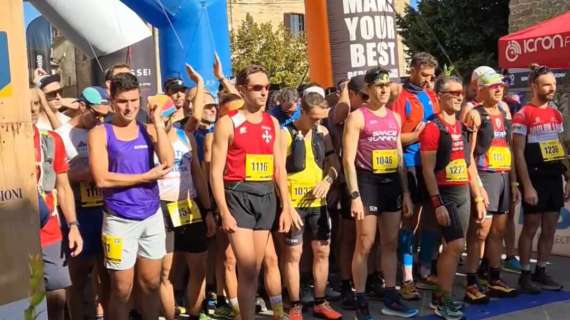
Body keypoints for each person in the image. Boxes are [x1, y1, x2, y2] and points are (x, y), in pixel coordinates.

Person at [210, 64, 300, 320]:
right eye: (257, 88)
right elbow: (215, 172)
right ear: (241, 90)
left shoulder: (272, 122)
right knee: (247, 267)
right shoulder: (228, 123)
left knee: (256, 267)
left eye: (267, 88)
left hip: (266, 197)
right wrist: (223, 211)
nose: (264, 93)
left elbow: (279, 169)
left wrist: (287, 205)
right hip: (238, 195)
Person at [88, 72, 174, 320]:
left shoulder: (148, 129)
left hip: (151, 217)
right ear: (112, 100)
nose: (130, 107)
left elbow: (168, 162)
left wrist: (157, 121)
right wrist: (145, 177)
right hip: (118, 220)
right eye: (124, 101)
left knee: (150, 284)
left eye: (135, 101)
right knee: (121, 289)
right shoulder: (101, 133)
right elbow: (102, 178)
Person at [343, 67, 417, 319]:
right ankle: (360, 298)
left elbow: (398, 158)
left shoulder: (394, 118)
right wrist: (354, 195)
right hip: (367, 184)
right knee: (365, 243)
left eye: (387, 85)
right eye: (379, 86)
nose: (385, 89)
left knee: (390, 243)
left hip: (391, 185)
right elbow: (348, 160)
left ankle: (390, 295)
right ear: (368, 89)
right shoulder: (358, 117)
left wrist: (406, 193)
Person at [419, 76, 486, 320]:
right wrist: (436, 202)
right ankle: (443, 299)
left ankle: (442, 294)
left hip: (463, 193)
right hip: (444, 193)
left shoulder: (461, 126)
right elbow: (427, 169)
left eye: (461, 92)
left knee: (455, 248)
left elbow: (468, 164)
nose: (459, 96)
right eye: (453, 92)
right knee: (456, 245)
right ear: (440, 96)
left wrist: (477, 196)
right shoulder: (432, 127)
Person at [281, 87, 342, 320]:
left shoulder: (322, 132)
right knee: (294, 254)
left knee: (322, 251)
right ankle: (295, 304)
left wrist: (328, 180)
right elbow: (278, 172)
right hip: (294, 203)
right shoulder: (285, 133)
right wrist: (285, 205)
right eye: (314, 118)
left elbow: (334, 162)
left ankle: (320, 301)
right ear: (303, 112)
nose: (317, 122)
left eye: (320, 118)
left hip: (318, 203)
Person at [462, 73, 519, 304]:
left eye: (501, 86)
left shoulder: (505, 113)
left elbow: (509, 149)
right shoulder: (475, 114)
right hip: (485, 176)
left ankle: (495, 278)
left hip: (503, 176)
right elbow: (469, 157)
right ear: (480, 89)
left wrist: (514, 182)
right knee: (480, 233)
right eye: (493, 86)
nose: (499, 90)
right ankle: (472, 282)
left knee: (498, 232)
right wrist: (477, 189)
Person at [55, 86, 111, 319]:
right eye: (96, 114)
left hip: (105, 208)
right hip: (78, 211)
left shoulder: (104, 130)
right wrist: (79, 173)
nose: (100, 119)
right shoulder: (60, 134)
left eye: (103, 115)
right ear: (81, 106)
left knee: (108, 272)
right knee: (77, 276)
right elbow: (60, 176)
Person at [512, 65, 568, 293]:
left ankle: (541, 270)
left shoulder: (556, 113)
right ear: (533, 86)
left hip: (554, 177)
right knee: (531, 227)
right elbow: (517, 153)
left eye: (553, 84)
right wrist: (526, 186)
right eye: (546, 84)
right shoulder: (523, 114)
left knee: (550, 227)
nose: (552, 88)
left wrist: (568, 177)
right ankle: (525, 273)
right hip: (534, 179)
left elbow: (561, 147)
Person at [31, 86, 83, 320]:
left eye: (36, 103)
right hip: (13, 233)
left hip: (50, 231)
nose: (32, 109)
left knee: (57, 298)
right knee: (26, 301)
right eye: (26, 104)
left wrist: (73, 225)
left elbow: (63, 187)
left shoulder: (51, 140)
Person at [391, 52, 440, 299]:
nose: (428, 81)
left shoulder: (432, 95)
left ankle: (426, 268)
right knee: (410, 220)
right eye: (424, 75)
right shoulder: (402, 97)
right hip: (410, 164)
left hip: (433, 164)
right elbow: (393, 136)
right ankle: (407, 277)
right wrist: (418, 136)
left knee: (433, 217)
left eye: (431, 77)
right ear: (412, 69)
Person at [326, 75, 372, 309]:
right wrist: (344, 89)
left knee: (369, 237)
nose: (369, 99)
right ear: (352, 95)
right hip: (346, 184)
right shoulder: (341, 114)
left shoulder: (372, 112)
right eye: (363, 95)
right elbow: (338, 114)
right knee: (348, 237)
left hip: (371, 182)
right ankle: (345, 283)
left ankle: (369, 278)